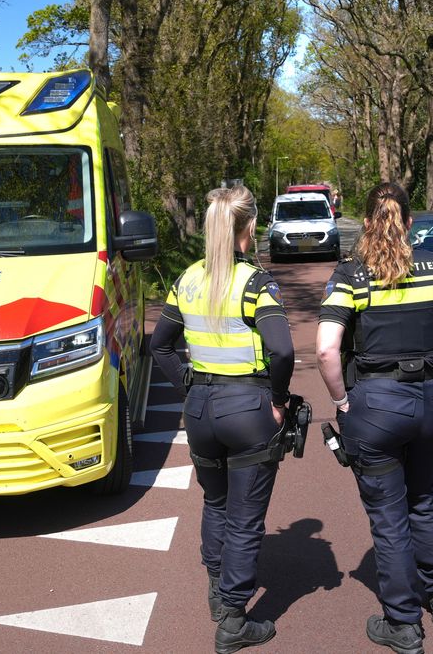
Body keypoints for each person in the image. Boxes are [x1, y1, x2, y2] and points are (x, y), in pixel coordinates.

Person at [315, 182, 433, 653]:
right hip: (430, 400)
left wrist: (342, 401)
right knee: (423, 496)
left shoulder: (351, 275)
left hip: (375, 405)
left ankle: (403, 623)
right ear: (410, 222)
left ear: (368, 222)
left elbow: (326, 349)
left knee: (389, 517)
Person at [151, 185, 295, 654]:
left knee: (215, 503)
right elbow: (282, 350)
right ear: (249, 226)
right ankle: (234, 619)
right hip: (248, 409)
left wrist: (189, 387)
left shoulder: (187, 279)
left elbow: (160, 345)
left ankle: (217, 591)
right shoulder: (256, 283)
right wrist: (278, 401)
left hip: (200, 411)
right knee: (246, 519)